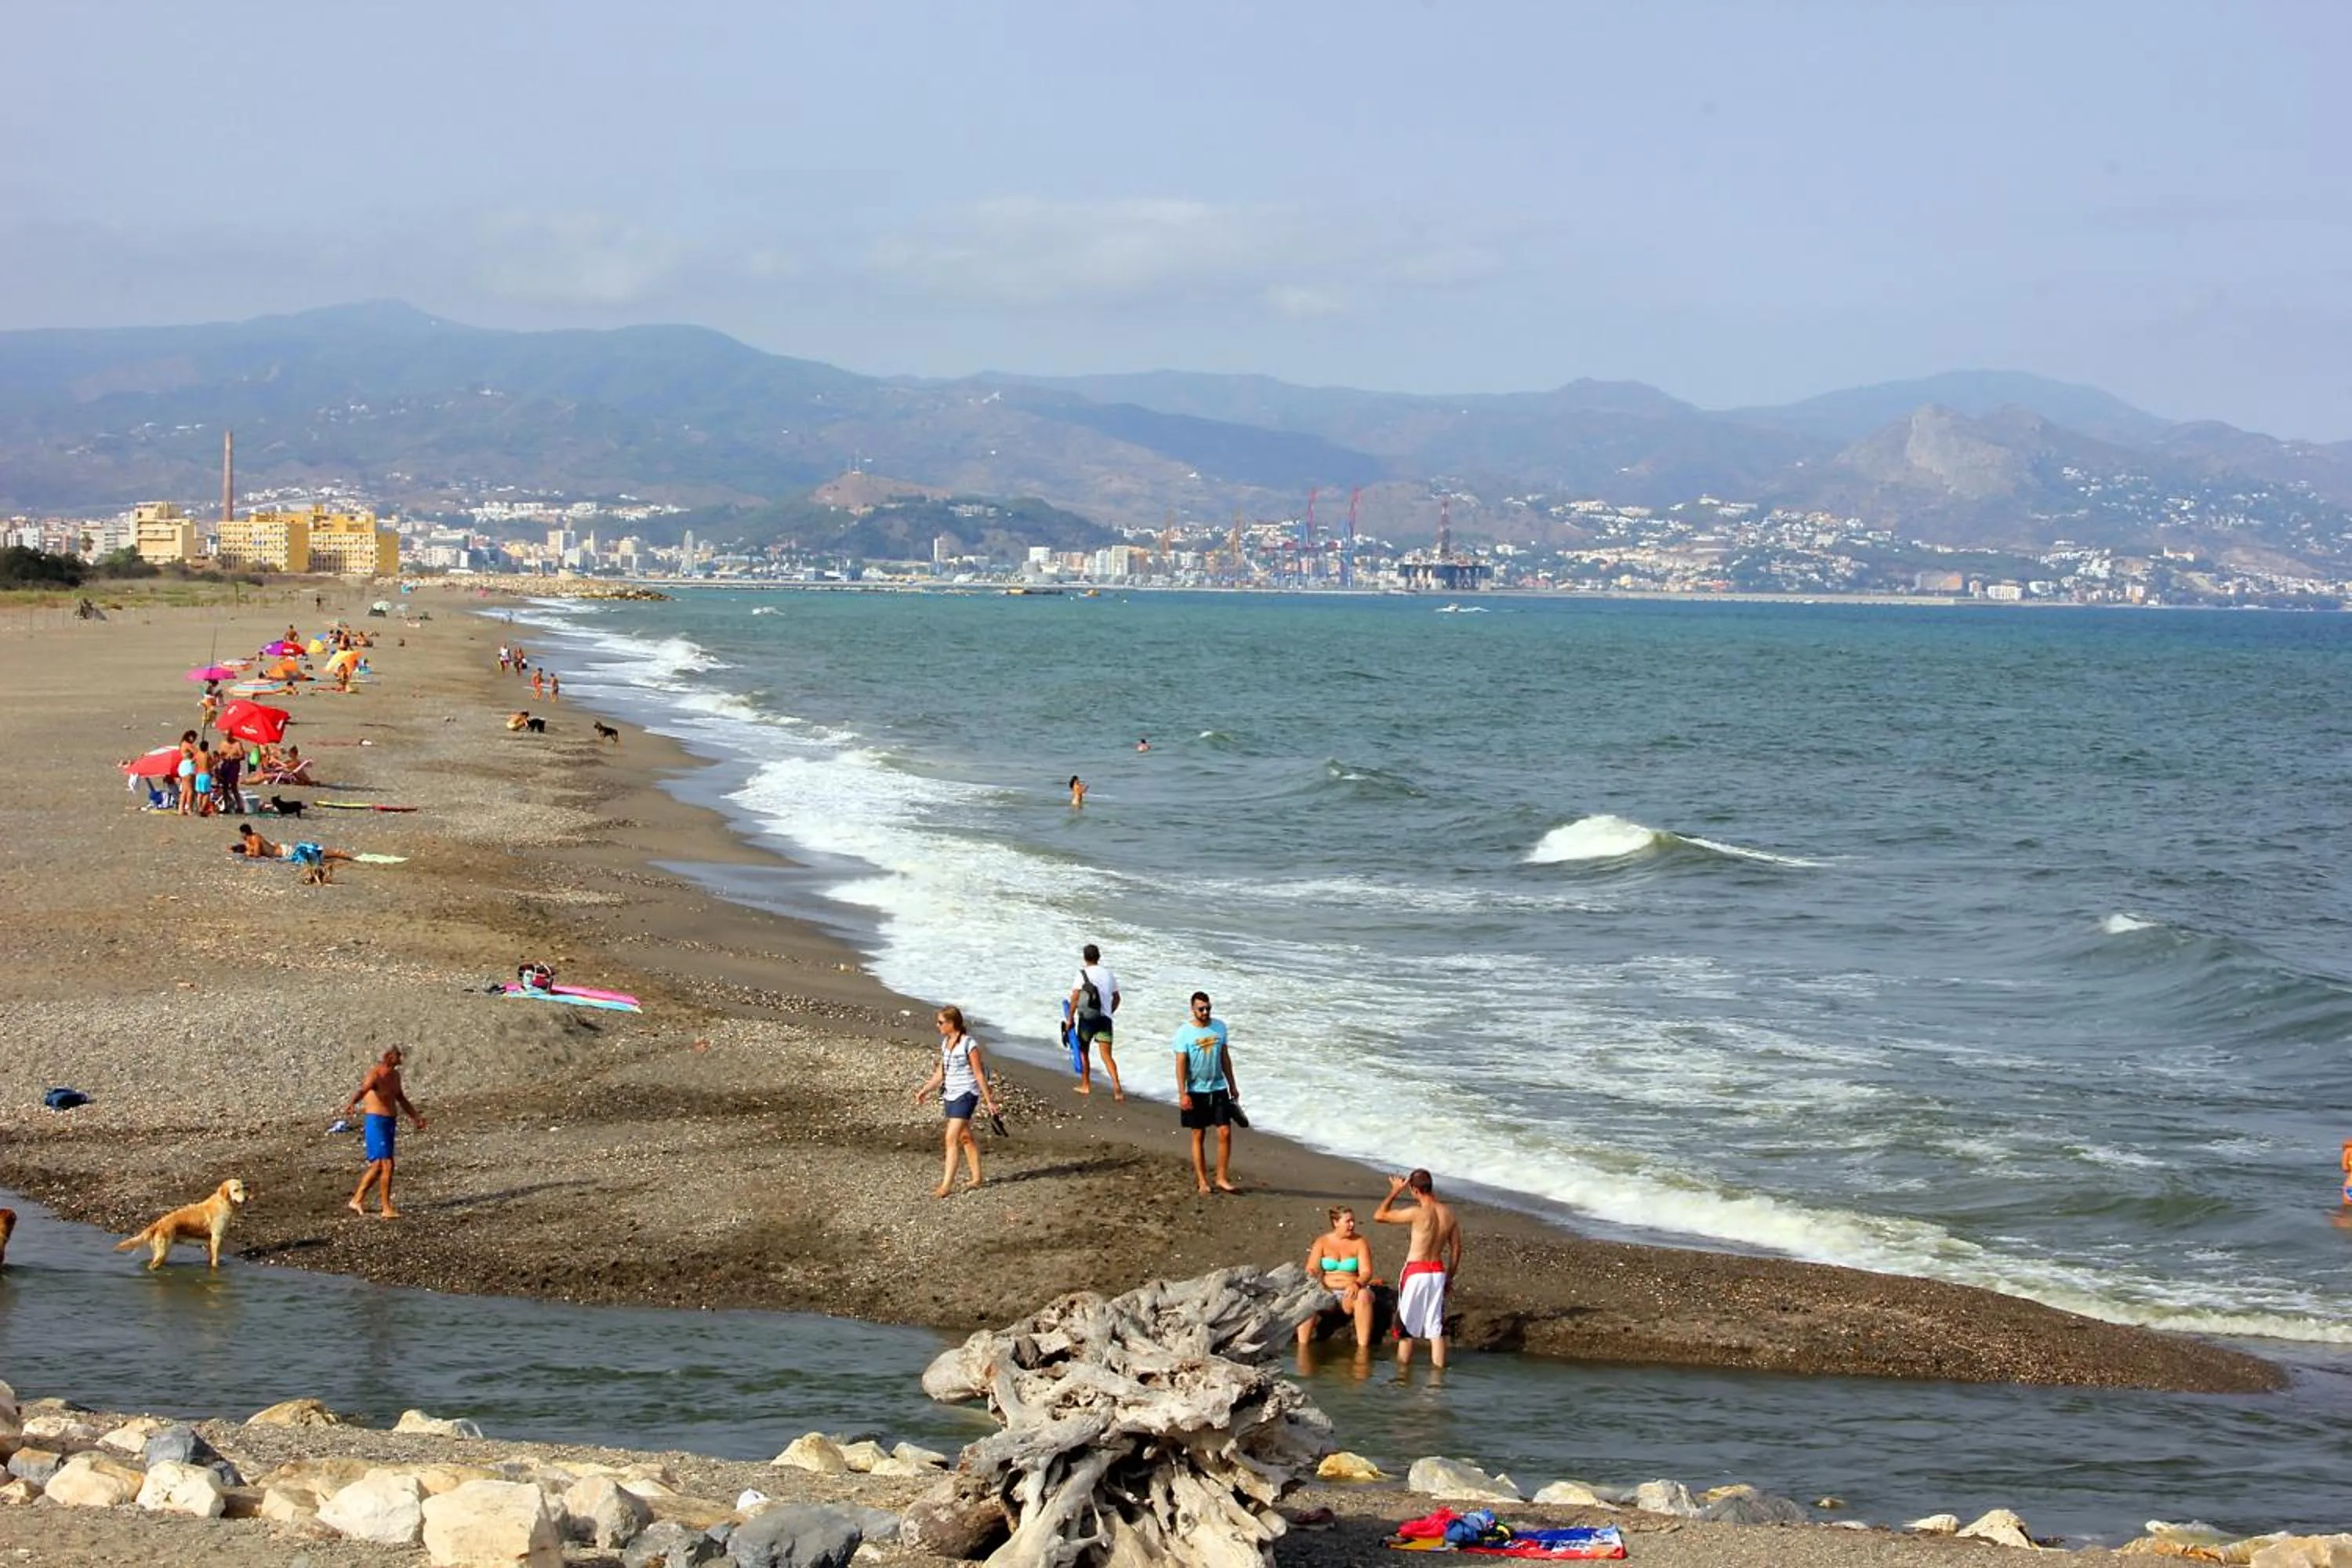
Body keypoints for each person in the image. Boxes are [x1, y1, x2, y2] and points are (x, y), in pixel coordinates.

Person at [1374, 1169, 1464, 1369]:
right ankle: (1437, 1380)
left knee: (1405, 1330)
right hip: (1437, 1272)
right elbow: (1457, 1248)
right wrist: (1449, 1277)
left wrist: (1395, 1191)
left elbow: (1379, 1215)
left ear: (1414, 1190)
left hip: (1416, 1271)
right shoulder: (1448, 1213)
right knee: (1435, 1329)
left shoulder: (1417, 1213)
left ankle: (1402, 1376)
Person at [912, 1004, 999, 1198]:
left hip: (966, 1094)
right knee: (964, 1136)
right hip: (950, 1094)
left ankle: (946, 1186)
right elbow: (942, 1071)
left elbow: (978, 1073)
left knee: (950, 1138)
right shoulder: (946, 1043)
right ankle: (977, 1178)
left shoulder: (969, 1044)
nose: (938, 1026)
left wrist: (989, 1100)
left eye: (941, 1022)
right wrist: (925, 1090)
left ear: (952, 1023)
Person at [1172, 991, 1242, 1194]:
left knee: (1225, 1131)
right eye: (1201, 1009)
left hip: (1218, 1087)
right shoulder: (1184, 1032)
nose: (1205, 1012)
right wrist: (1182, 1093)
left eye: (1208, 1008)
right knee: (1198, 1134)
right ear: (1193, 1010)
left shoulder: (1219, 1027)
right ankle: (1202, 1180)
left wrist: (1232, 1085)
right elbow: (1180, 1063)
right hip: (1195, 1090)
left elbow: (1225, 1057)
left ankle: (1221, 1177)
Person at [343, 1047, 425, 1218]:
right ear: (388, 1057)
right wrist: (352, 1103)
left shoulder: (395, 1076)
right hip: (376, 1122)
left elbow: (401, 1098)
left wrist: (415, 1116)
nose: (401, 1059)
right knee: (387, 1164)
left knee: (378, 1166)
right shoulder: (376, 1074)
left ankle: (356, 1200)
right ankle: (386, 1208)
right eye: (397, 1056)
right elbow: (362, 1090)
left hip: (389, 1122)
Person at [1298, 1205, 1378, 1352]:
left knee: (1364, 1296)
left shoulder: (1360, 1242)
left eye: (1353, 1221)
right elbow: (1311, 1268)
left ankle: (1363, 1351)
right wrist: (1311, 1278)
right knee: (1308, 1297)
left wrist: (1357, 1284)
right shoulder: (1322, 1242)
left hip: (1350, 1293)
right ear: (1336, 1222)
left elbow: (1366, 1272)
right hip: (1327, 1291)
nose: (1352, 1225)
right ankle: (1302, 1349)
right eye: (1348, 1221)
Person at [1069, 942, 1121, 1099]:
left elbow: (1075, 997)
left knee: (1084, 1052)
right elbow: (1117, 998)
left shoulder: (1082, 973)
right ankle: (1117, 1086)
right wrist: (1109, 1012)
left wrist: (1070, 1018)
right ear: (1099, 957)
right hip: (1105, 1020)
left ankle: (1085, 1085)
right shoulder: (1108, 974)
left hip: (1087, 1020)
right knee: (1107, 1055)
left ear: (1085, 958)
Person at [229, 823, 355, 867]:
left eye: (241, 834)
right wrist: (235, 849)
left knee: (314, 855)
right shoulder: (251, 839)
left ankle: (338, 854)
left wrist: (248, 854)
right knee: (314, 857)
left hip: (285, 853)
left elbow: (256, 854)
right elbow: (247, 847)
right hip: (282, 850)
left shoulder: (255, 839)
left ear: (245, 833)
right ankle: (336, 855)